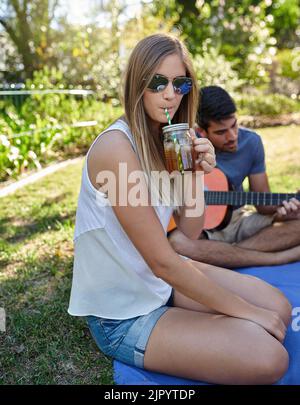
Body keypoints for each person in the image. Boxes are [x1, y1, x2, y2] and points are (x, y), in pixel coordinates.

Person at [68, 34, 291, 385]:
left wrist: (195, 172)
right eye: (158, 83)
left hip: (159, 284)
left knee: (278, 308)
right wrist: (247, 313)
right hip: (124, 315)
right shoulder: (116, 149)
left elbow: (189, 229)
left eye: (180, 83)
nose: (171, 94)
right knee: (269, 356)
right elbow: (162, 260)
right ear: (137, 84)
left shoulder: (170, 138)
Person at [168, 85, 300, 268]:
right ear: (201, 131)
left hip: (238, 219)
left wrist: (284, 212)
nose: (232, 136)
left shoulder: (251, 142)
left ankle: (227, 254)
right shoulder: (185, 146)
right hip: (200, 231)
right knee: (177, 243)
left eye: (234, 126)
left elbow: (263, 205)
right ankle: (271, 258)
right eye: (221, 132)